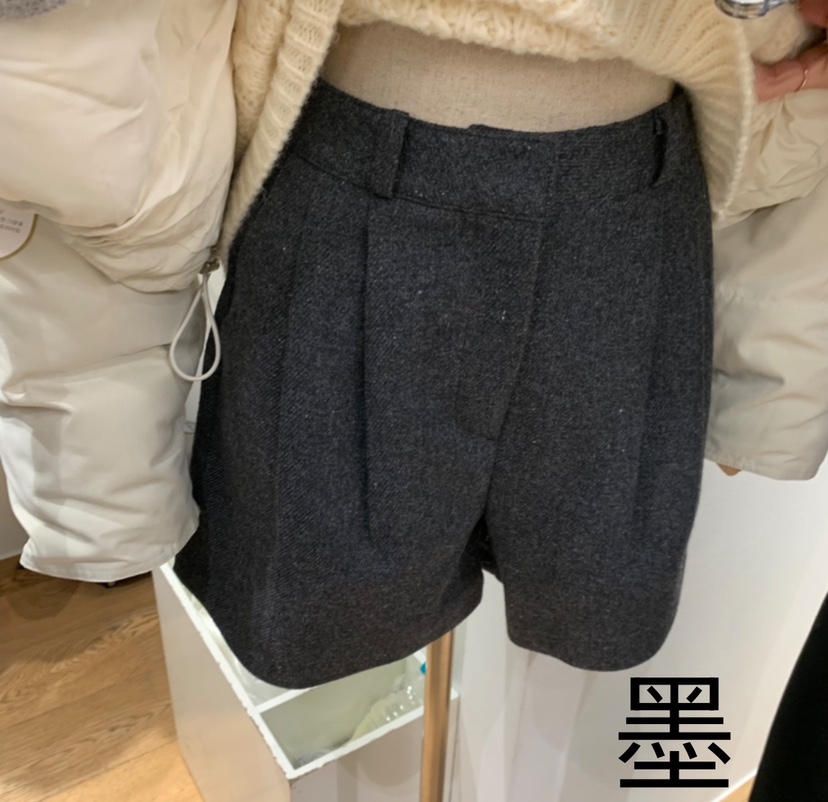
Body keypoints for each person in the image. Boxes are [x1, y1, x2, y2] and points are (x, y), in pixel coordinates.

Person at [172, 0, 828, 690]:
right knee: (319, 608)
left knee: (595, 600)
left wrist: (771, 388)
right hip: (350, 171)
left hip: (641, 202)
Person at [0, 0, 236, 581]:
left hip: (104, 199)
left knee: (71, 366)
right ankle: (114, 543)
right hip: (121, 206)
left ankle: (113, 542)